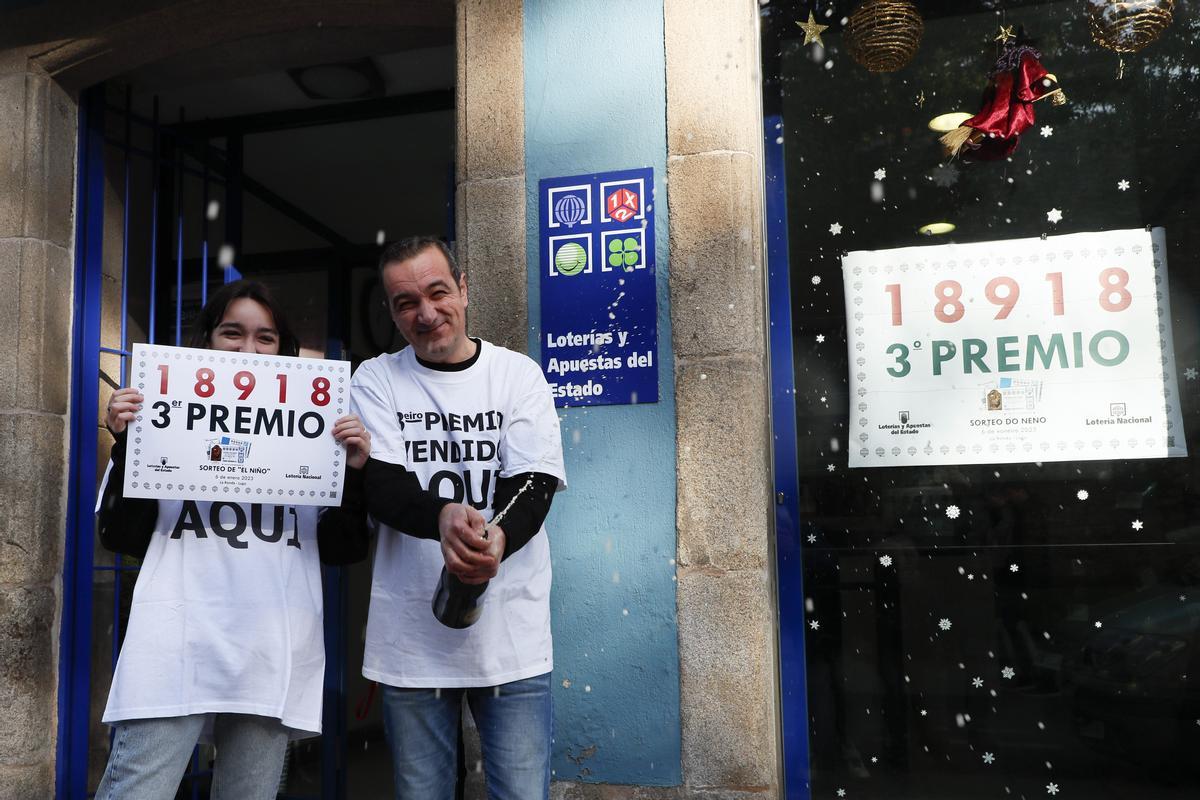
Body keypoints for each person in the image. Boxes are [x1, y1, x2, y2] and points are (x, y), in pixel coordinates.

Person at [94, 279, 372, 800]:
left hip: (270, 651)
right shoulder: (162, 419)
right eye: (232, 333)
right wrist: (129, 441)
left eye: (265, 338)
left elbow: (343, 549)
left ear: (284, 350)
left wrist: (352, 472)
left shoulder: (316, 437)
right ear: (207, 343)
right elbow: (120, 535)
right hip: (174, 645)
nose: (248, 350)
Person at [350, 236, 566, 800]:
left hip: (511, 643)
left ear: (464, 289)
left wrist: (496, 539)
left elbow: (534, 485)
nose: (425, 313)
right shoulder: (375, 379)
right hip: (410, 648)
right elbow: (383, 483)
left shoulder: (519, 376)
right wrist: (443, 515)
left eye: (438, 292)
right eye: (405, 303)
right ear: (392, 313)